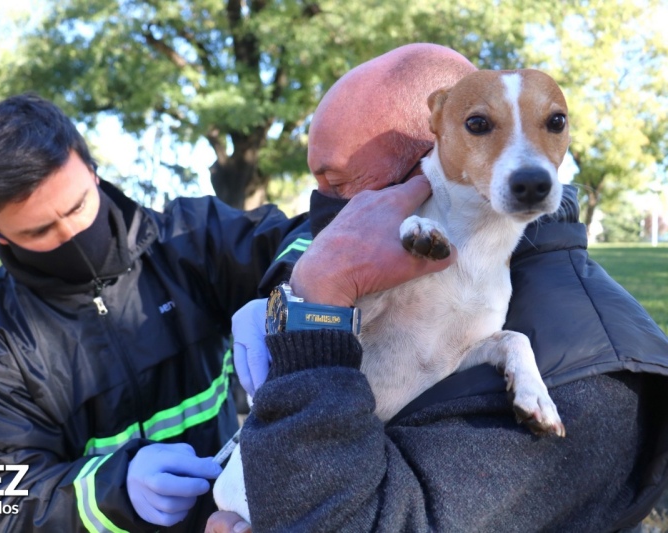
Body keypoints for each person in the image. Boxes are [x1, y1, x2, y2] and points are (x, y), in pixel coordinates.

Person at [208, 43, 668, 532]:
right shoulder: (407, 249)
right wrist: (291, 302)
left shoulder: (595, 380)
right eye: (482, 126)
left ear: (427, 152)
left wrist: (314, 304)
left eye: (339, 186)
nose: (327, 213)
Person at [0, 93, 315, 532]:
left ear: (92, 170)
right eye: (40, 230)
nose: (71, 234)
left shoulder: (191, 239)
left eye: (78, 205)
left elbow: (314, 235)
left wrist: (287, 292)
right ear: (0, 237)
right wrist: (113, 491)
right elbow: (0, 504)